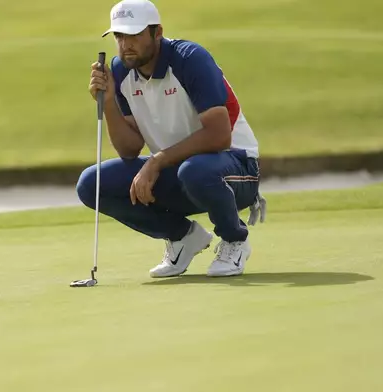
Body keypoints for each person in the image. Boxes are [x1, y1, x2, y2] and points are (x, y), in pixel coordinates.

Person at [76, 0, 267, 278]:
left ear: (157, 33)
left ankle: (234, 239)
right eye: (119, 35)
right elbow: (129, 149)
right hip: (179, 171)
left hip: (236, 169)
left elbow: (219, 136)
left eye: (134, 34)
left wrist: (156, 162)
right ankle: (183, 237)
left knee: (195, 171)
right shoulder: (120, 71)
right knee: (91, 184)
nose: (125, 44)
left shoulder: (190, 59)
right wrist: (107, 103)